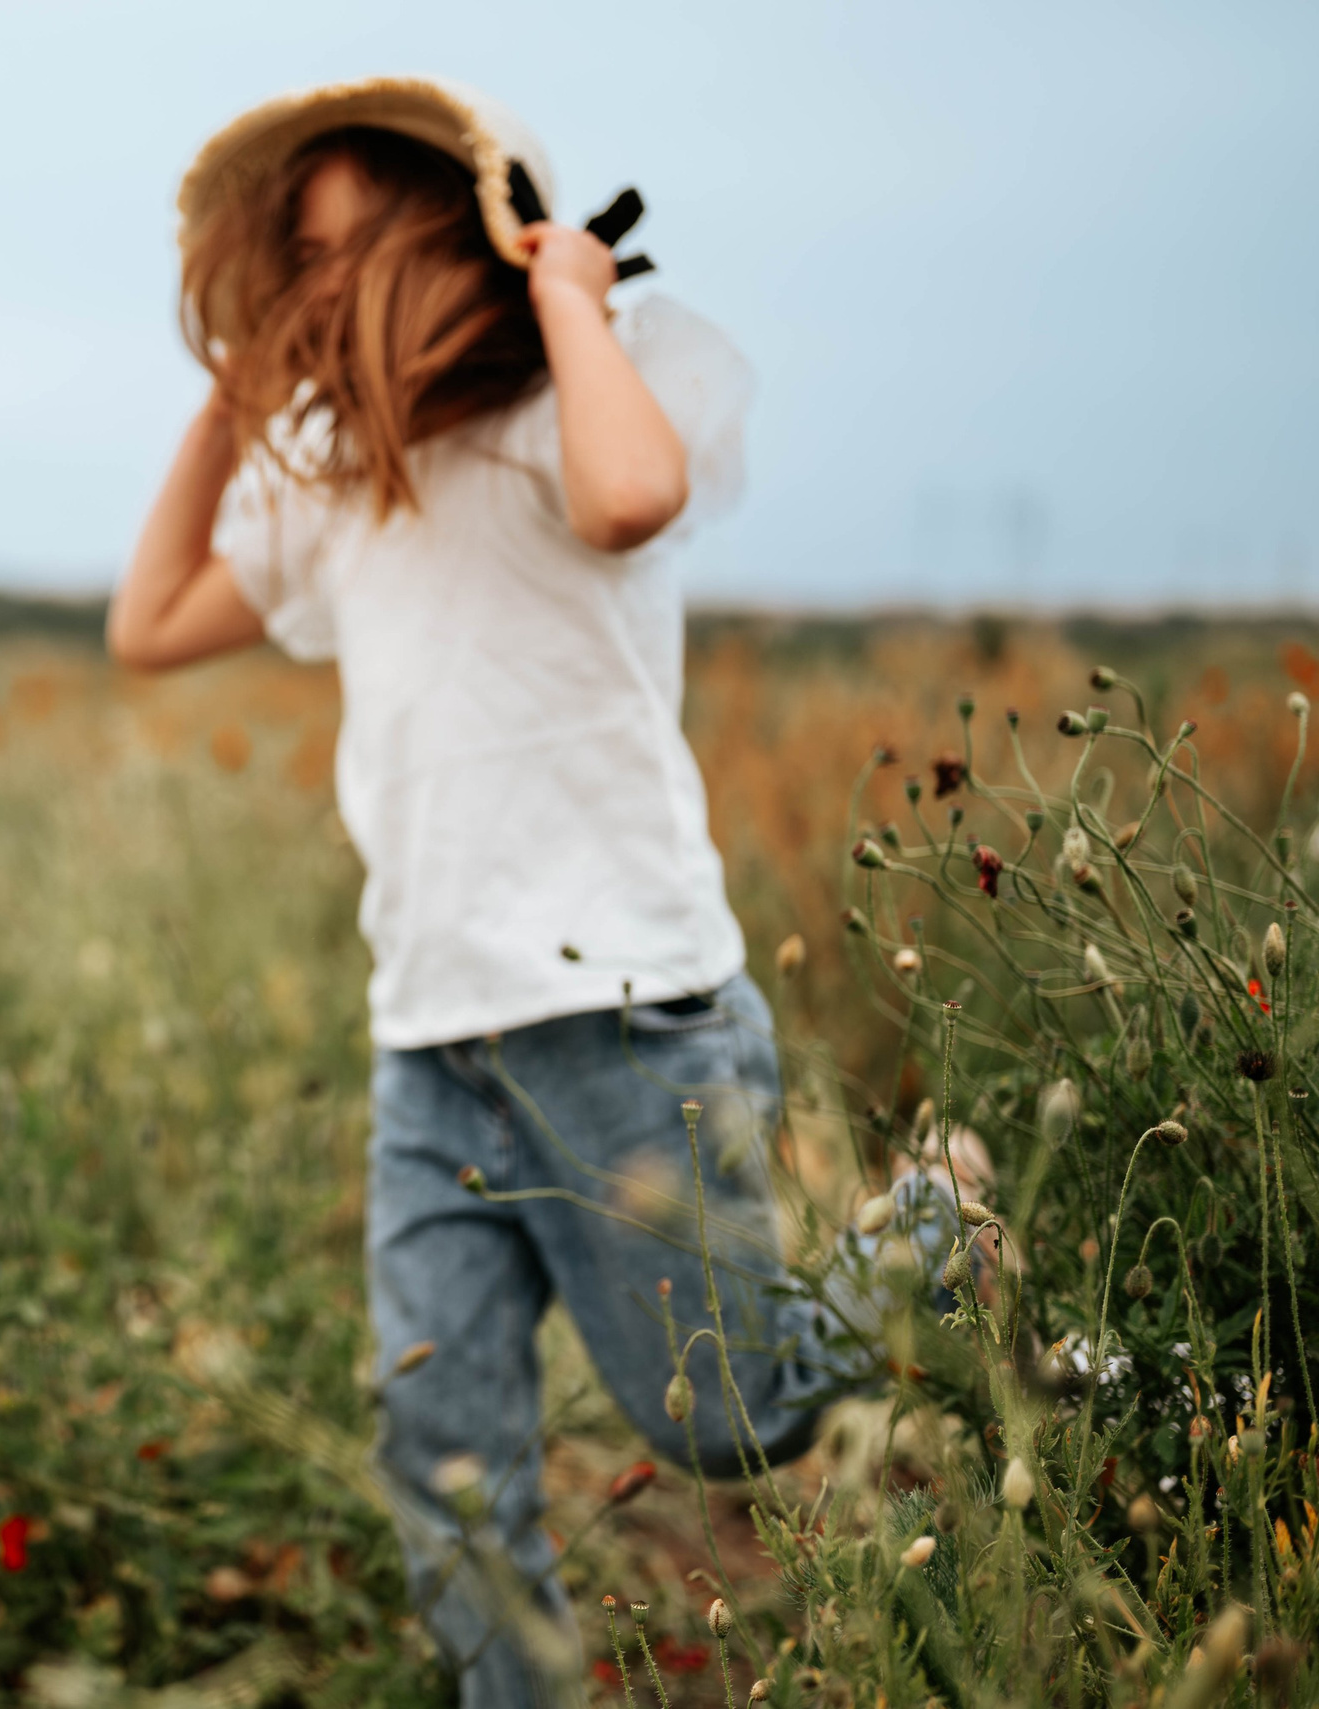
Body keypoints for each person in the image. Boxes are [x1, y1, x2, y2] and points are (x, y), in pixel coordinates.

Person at [107, 79, 839, 1706]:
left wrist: (567, 293)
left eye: (362, 242)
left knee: (723, 1417)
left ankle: (942, 1238)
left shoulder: (585, 408)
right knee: (444, 1452)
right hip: (431, 1040)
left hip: (624, 1022)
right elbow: (149, 623)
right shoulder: (339, 489)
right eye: (304, 258)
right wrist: (227, 407)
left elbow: (631, 500)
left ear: (478, 236)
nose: (329, 285)